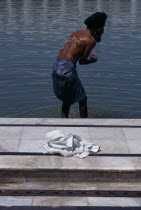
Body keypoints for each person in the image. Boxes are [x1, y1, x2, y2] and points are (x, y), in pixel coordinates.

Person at [51, 12, 107, 118]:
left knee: (66, 99)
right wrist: (93, 60)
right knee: (82, 99)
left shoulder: (76, 33)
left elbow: (62, 49)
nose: (103, 30)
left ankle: (64, 122)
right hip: (67, 68)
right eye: (102, 27)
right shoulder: (91, 40)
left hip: (56, 65)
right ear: (97, 27)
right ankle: (84, 125)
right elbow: (82, 61)